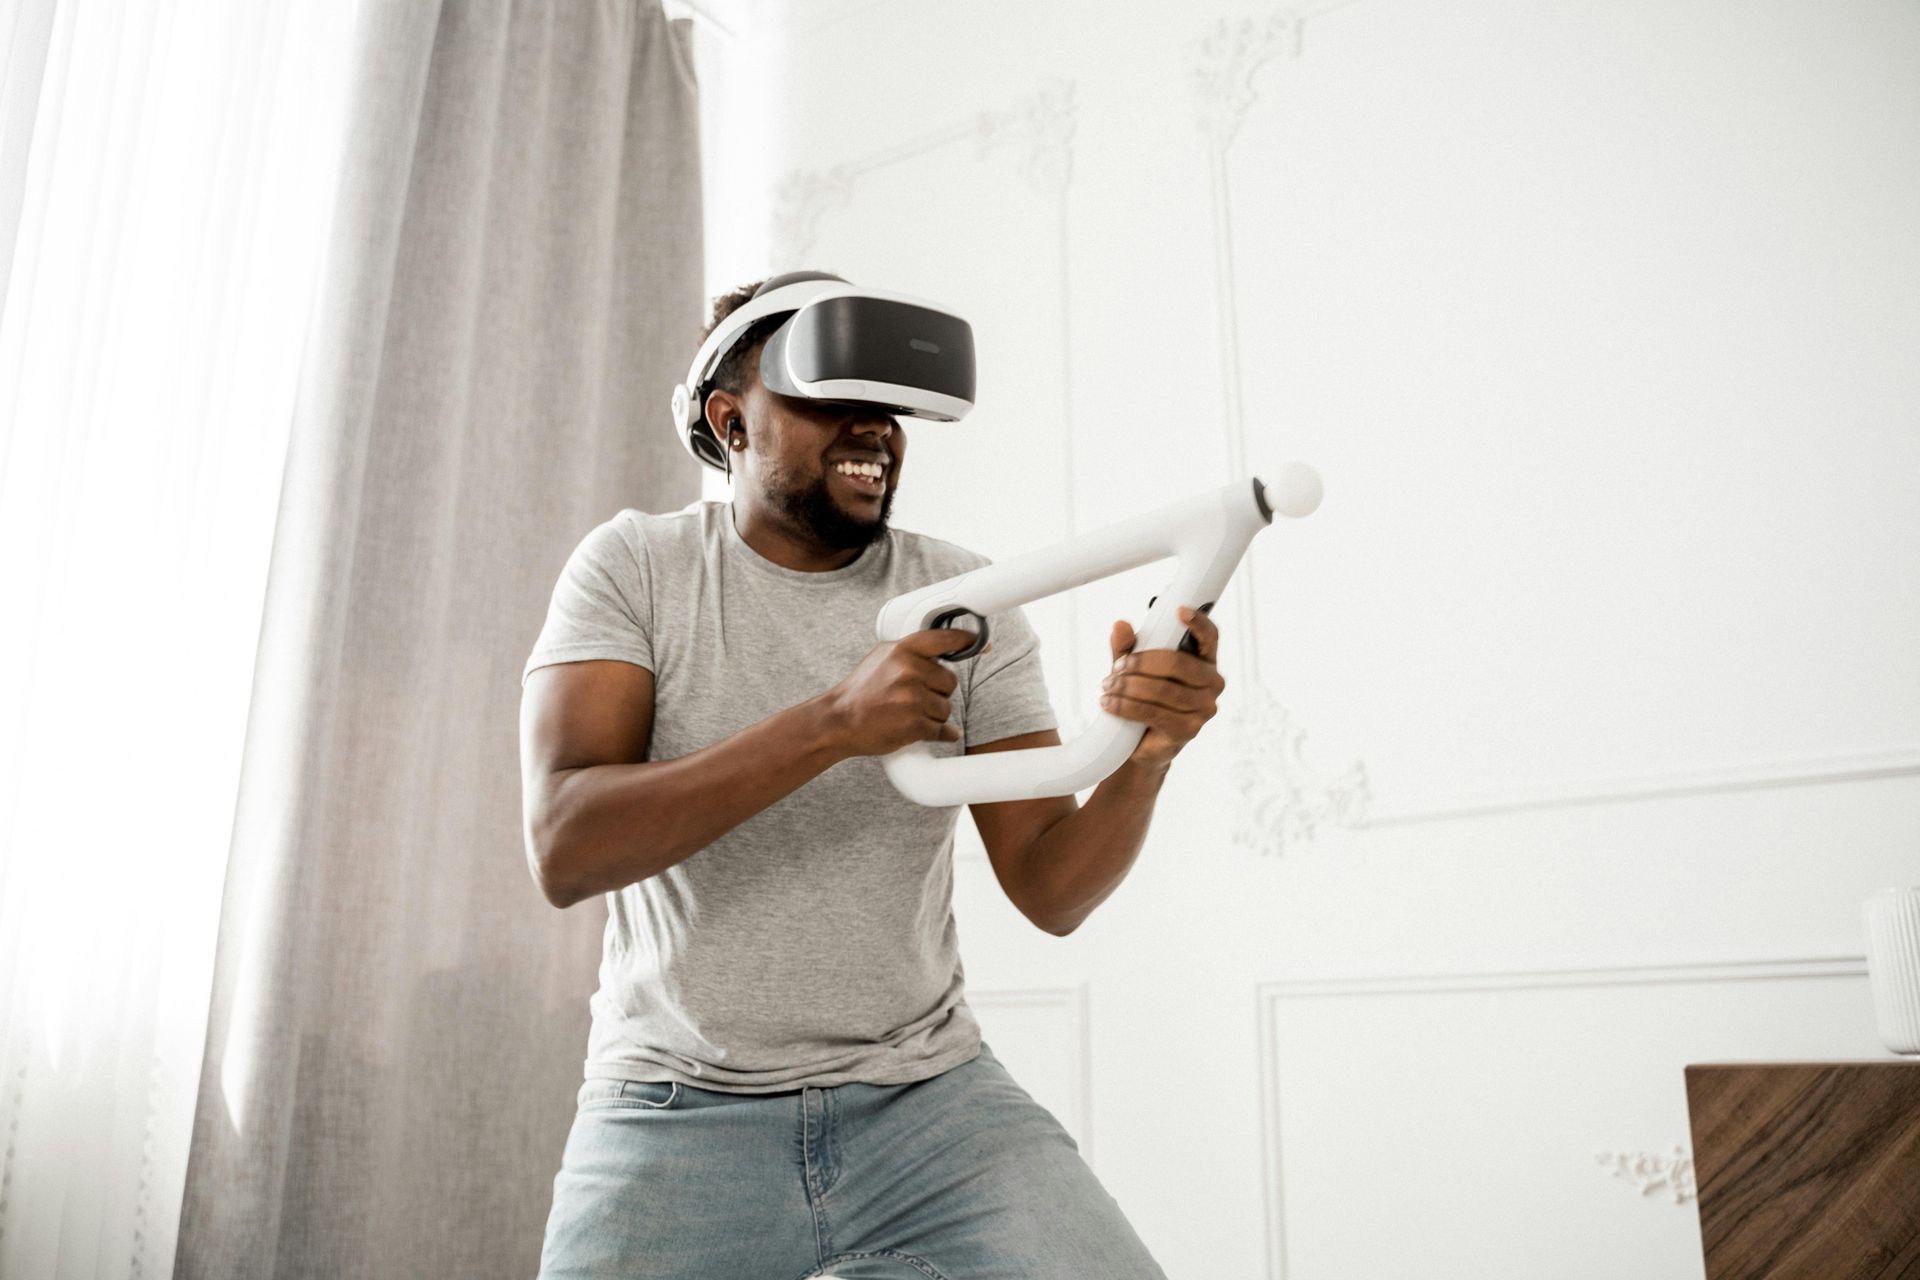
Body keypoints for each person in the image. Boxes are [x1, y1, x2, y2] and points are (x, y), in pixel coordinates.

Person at [518, 275, 1227, 1279]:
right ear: (730, 421)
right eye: (824, 390)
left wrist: (1143, 758)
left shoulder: (970, 600)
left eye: (887, 402)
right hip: (676, 1105)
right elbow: (564, 842)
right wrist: (833, 723)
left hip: (929, 1102)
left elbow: (1052, 885)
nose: (872, 425)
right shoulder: (636, 566)